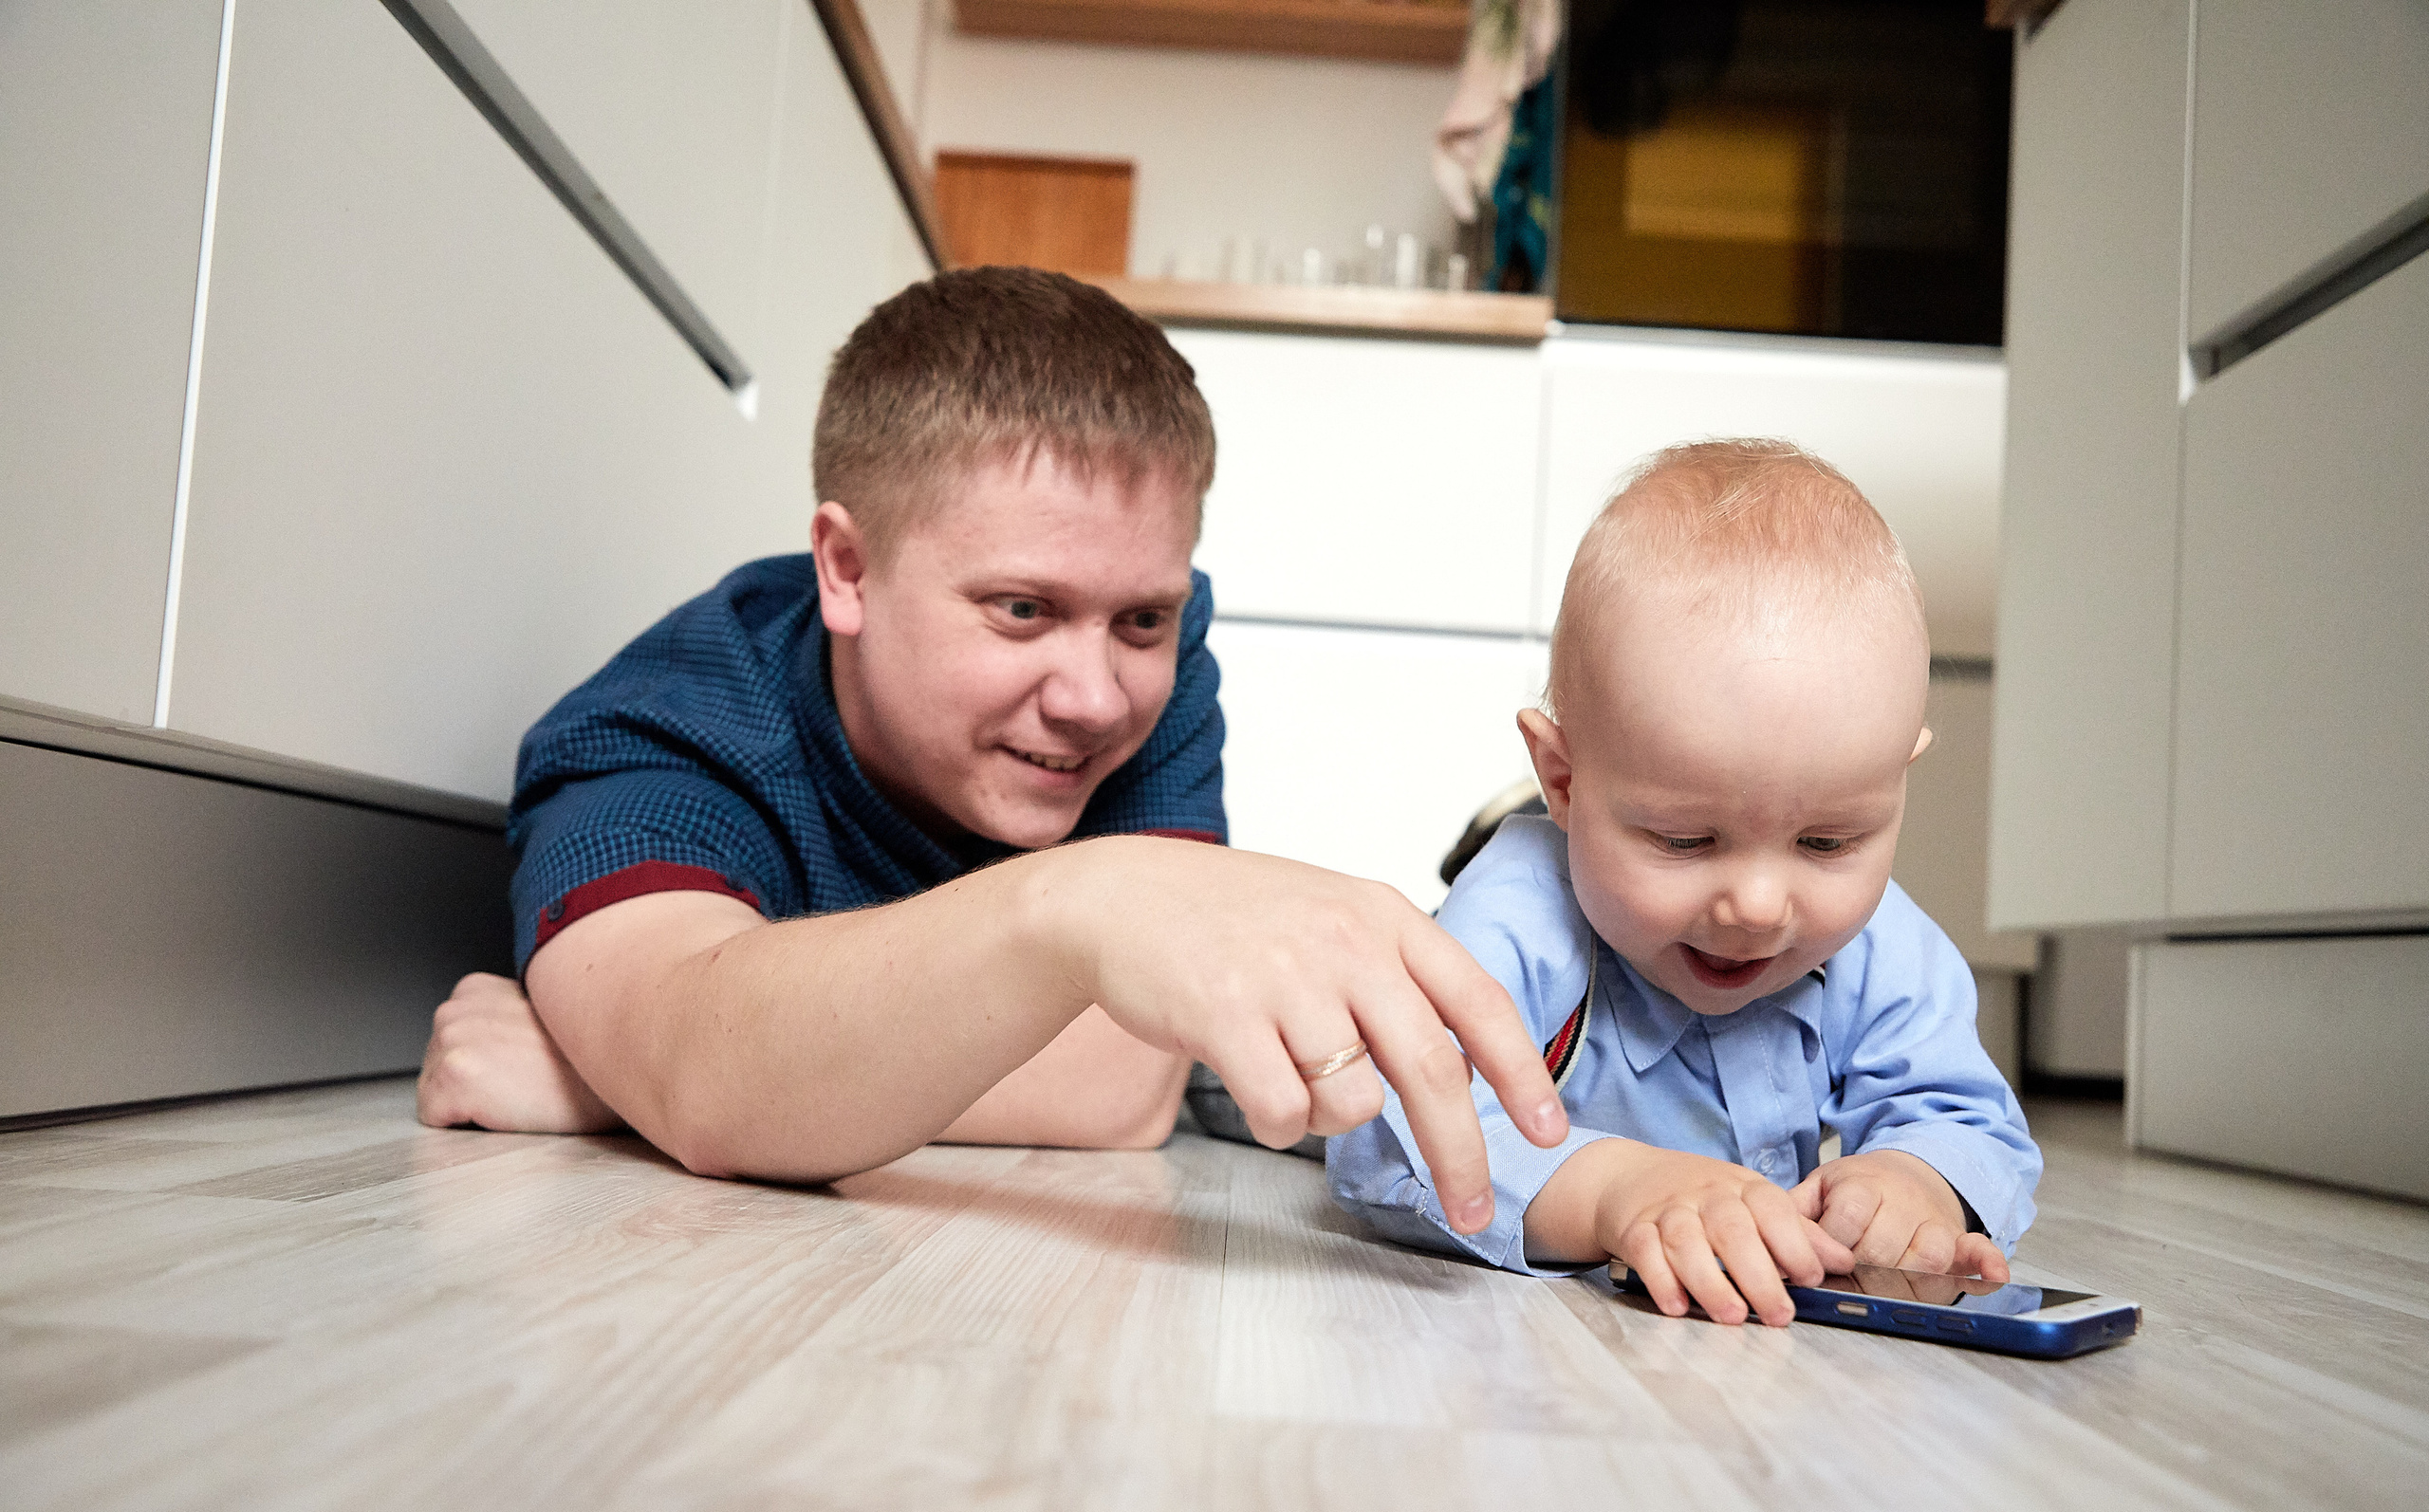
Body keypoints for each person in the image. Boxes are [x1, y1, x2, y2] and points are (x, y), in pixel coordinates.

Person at [416, 267, 1567, 1231]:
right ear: (847, 570)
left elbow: (1125, 1090)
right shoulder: (661, 734)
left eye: (1143, 619)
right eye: (1020, 609)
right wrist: (694, 1077)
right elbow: (710, 1081)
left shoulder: (1149, 666)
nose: (1093, 697)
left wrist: (632, 1085)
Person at [1327, 439, 2043, 1322]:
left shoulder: (1878, 943)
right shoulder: (1521, 913)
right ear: (1563, 781)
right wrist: (1613, 1192)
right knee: (1274, 1074)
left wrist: (1918, 1181)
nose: (1758, 906)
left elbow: (1967, 1113)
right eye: (1685, 838)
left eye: (1826, 841)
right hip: (1329, 1038)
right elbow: (1387, 1128)